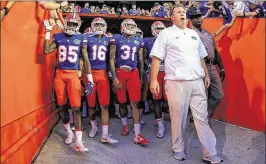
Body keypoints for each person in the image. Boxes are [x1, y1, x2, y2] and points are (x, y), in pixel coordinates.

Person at [149, 5, 223, 163]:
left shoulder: (193, 35)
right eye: (178, 12)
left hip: (197, 81)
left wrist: (207, 74)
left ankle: (210, 153)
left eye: (184, 12)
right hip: (176, 82)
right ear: (172, 17)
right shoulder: (166, 34)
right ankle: (178, 148)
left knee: (202, 117)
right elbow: (156, 57)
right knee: (179, 118)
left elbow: (201, 56)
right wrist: (154, 80)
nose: (182, 14)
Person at [43, 13, 93, 152]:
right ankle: (69, 133)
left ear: (78, 25)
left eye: (73, 24)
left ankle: (79, 141)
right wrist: (47, 32)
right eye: (69, 23)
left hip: (72, 75)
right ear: (65, 23)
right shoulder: (59, 36)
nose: (71, 26)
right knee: (62, 106)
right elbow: (46, 50)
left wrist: (89, 79)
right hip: (60, 74)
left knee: (76, 108)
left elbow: (86, 59)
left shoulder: (81, 37)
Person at [109, 19, 149, 146]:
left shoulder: (138, 40)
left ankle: (137, 134)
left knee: (135, 102)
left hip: (133, 73)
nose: (131, 28)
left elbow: (141, 61)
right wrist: (114, 77)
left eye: (133, 26)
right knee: (121, 102)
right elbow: (111, 58)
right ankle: (125, 125)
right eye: (128, 25)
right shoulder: (116, 38)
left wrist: (141, 77)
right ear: (123, 27)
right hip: (120, 72)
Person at [83, 17, 118, 144]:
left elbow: (112, 57)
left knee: (104, 105)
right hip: (90, 74)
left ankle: (104, 134)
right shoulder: (87, 38)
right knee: (91, 105)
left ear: (105, 26)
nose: (98, 27)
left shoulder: (108, 39)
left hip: (102, 74)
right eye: (96, 25)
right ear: (92, 26)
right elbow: (82, 58)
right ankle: (93, 126)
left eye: (101, 25)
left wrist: (112, 74)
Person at [189, 7, 225, 126]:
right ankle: (202, 122)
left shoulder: (208, 33)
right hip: (198, 67)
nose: (198, 19)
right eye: (194, 17)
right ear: (190, 19)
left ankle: (200, 115)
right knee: (201, 96)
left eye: (199, 16)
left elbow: (215, 51)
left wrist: (222, 67)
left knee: (219, 95)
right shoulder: (189, 34)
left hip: (212, 66)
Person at [143, 21, 167, 138]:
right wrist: (150, 66)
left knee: (170, 99)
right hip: (156, 72)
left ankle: (169, 118)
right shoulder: (148, 41)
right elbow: (144, 57)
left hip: (168, 72)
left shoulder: (169, 41)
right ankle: (160, 124)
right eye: (157, 29)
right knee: (156, 99)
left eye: (161, 29)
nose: (159, 31)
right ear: (153, 29)